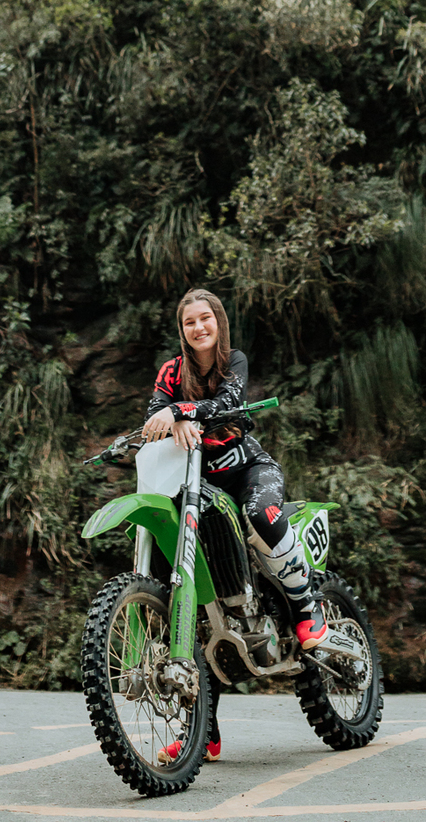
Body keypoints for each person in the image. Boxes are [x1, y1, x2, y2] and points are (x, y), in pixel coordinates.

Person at [141, 286, 327, 766]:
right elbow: (154, 412)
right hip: (196, 482)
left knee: (261, 515)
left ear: (218, 323)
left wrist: (182, 412)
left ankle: (307, 609)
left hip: (247, 469)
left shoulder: (234, 361)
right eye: (189, 322)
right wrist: (168, 416)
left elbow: (225, 401)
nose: (198, 328)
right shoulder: (171, 371)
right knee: (201, 614)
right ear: (181, 331)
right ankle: (204, 734)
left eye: (206, 319)